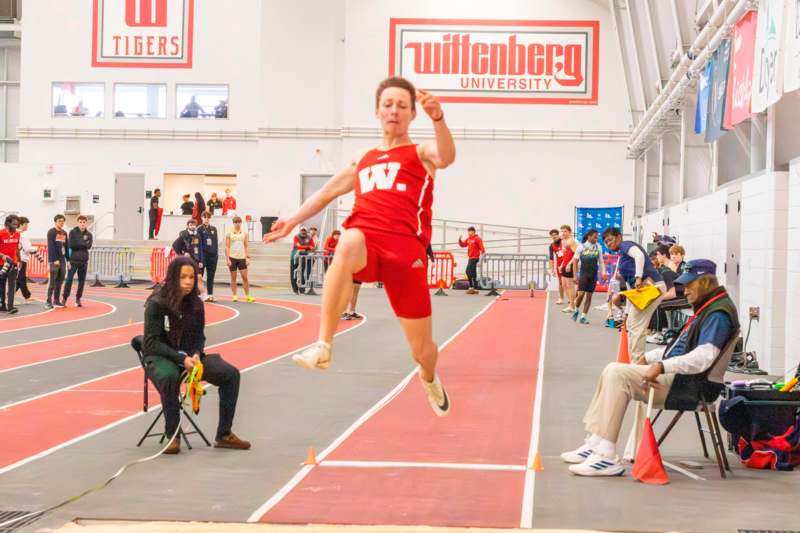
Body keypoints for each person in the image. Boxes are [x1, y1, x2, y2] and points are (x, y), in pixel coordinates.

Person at [264, 76, 456, 417]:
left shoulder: (421, 152)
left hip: (405, 252)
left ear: (412, 113)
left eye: (401, 105)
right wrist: (292, 220)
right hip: (366, 240)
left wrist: (439, 119)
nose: (394, 111)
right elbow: (325, 194)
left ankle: (428, 375)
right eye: (388, 104)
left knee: (422, 350)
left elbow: (446, 156)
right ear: (377, 111)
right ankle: (324, 343)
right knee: (348, 240)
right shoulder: (364, 158)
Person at [561, 260, 738, 476]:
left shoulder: (717, 314)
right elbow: (679, 349)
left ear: (706, 282)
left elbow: (703, 358)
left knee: (617, 374)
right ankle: (597, 443)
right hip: (681, 379)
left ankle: (606, 455)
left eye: (690, 285)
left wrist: (661, 366)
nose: (685, 290)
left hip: (690, 386)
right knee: (612, 369)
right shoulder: (707, 308)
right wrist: (650, 357)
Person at [143, 256, 250, 454]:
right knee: (169, 376)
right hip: (160, 357)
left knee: (231, 375)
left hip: (189, 358)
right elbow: (151, 343)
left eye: (192, 277)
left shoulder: (196, 305)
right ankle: (172, 436)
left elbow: (198, 336)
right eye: (183, 277)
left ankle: (224, 434)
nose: (188, 282)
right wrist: (181, 358)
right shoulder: (156, 303)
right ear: (173, 277)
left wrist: (196, 354)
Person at [601, 227, 666, 360]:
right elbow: (632, 290)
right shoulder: (622, 255)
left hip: (651, 287)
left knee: (637, 326)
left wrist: (638, 276)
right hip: (644, 290)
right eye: (606, 242)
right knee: (631, 323)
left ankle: (637, 364)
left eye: (610, 240)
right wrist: (626, 314)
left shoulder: (626, 245)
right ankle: (635, 360)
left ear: (619, 237)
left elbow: (639, 255)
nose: (608, 243)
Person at [570, 229, 606, 325]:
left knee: (589, 297)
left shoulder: (598, 247)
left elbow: (601, 261)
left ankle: (583, 317)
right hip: (584, 274)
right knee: (581, 294)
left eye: (597, 237)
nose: (596, 239)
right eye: (595, 237)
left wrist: (604, 273)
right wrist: (574, 275)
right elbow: (575, 262)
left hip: (593, 274)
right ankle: (576, 310)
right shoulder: (581, 247)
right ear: (589, 236)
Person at [63, 215, 93, 307]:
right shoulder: (72, 232)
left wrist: (80, 243)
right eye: (80, 222)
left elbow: (89, 246)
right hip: (74, 259)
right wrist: (83, 243)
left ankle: (78, 299)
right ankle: (64, 298)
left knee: (82, 281)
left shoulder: (89, 234)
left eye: (84, 222)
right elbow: (72, 245)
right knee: (69, 279)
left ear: (86, 223)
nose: (82, 224)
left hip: (84, 260)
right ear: (78, 222)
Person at [225, 216, 254, 303]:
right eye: (236, 222)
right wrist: (227, 259)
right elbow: (227, 246)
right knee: (233, 278)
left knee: (245, 277)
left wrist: (247, 257)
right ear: (233, 223)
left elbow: (246, 246)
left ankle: (248, 296)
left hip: (242, 258)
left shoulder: (244, 234)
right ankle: (234, 295)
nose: (238, 224)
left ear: (241, 223)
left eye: (239, 222)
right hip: (232, 257)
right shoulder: (229, 233)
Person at [172, 219, 205, 295]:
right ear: (187, 226)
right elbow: (175, 245)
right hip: (187, 261)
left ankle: (200, 294)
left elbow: (200, 249)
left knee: (198, 277)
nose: (192, 226)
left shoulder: (197, 235)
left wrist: (201, 261)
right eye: (191, 225)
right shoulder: (184, 235)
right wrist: (182, 254)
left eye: (194, 225)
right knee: (188, 277)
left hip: (196, 260)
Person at [15, 217, 42, 304]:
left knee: (19, 279)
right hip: (21, 259)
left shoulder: (16, 234)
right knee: (21, 279)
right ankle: (24, 296)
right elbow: (27, 248)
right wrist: (36, 248)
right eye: (26, 224)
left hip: (18, 259)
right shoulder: (22, 235)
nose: (27, 226)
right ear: (21, 224)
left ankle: (25, 296)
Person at [46, 214, 69, 309]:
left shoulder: (64, 233)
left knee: (60, 281)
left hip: (62, 260)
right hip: (54, 261)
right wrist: (54, 260)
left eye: (63, 221)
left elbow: (66, 247)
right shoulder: (51, 232)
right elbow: (51, 247)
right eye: (59, 221)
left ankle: (56, 300)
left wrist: (68, 260)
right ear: (55, 221)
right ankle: (48, 301)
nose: (61, 223)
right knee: (52, 282)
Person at [0, 215, 21, 314]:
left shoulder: (17, 234)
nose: (16, 226)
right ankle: (2, 305)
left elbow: (16, 248)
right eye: (14, 224)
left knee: (12, 285)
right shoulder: (1, 234)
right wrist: (3, 256)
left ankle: (11, 306)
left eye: (17, 224)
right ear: (8, 224)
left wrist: (19, 260)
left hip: (13, 263)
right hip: (2, 264)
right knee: (1, 285)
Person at [197, 211, 219, 302]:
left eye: (208, 217)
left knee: (211, 276)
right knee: (200, 276)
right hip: (203, 256)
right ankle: (199, 295)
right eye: (204, 217)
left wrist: (216, 254)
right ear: (202, 218)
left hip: (212, 256)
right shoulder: (199, 229)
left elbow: (215, 243)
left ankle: (210, 294)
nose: (206, 219)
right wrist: (199, 258)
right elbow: (198, 245)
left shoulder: (214, 229)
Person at [458, 226, 485, 295]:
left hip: (475, 258)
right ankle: (475, 288)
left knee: (467, 271)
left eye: (470, 231)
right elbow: (463, 245)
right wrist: (459, 240)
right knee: (473, 273)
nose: (468, 233)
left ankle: (471, 287)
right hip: (470, 258)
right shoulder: (468, 239)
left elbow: (482, 248)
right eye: (468, 231)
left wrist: (482, 258)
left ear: (473, 231)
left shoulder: (477, 239)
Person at [558, 225, 578, 313]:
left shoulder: (572, 241)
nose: (563, 233)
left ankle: (572, 306)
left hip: (570, 266)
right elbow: (565, 255)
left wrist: (569, 264)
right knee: (564, 285)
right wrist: (562, 265)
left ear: (570, 232)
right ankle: (571, 304)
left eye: (565, 231)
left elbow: (576, 255)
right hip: (565, 265)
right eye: (562, 231)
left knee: (570, 286)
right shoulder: (564, 241)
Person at [290, 227, 315, 294]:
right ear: (300, 231)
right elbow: (298, 246)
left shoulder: (309, 238)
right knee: (293, 272)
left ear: (306, 231)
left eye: (304, 230)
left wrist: (308, 247)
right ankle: (295, 288)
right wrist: (308, 247)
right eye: (302, 230)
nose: (303, 232)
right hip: (295, 256)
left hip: (304, 256)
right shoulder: (296, 237)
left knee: (303, 272)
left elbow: (313, 246)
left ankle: (302, 288)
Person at [547, 229, 565, 304]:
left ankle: (571, 298)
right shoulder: (551, 246)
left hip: (567, 264)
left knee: (568, 283)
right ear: (551, 237)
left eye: (555, 235)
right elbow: (551, 258)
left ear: (558, 235)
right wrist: (552, 269)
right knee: (560, 282)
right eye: (552, 235)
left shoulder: (564, 241)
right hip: (559, 266)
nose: (554, 236)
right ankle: (561, 298)